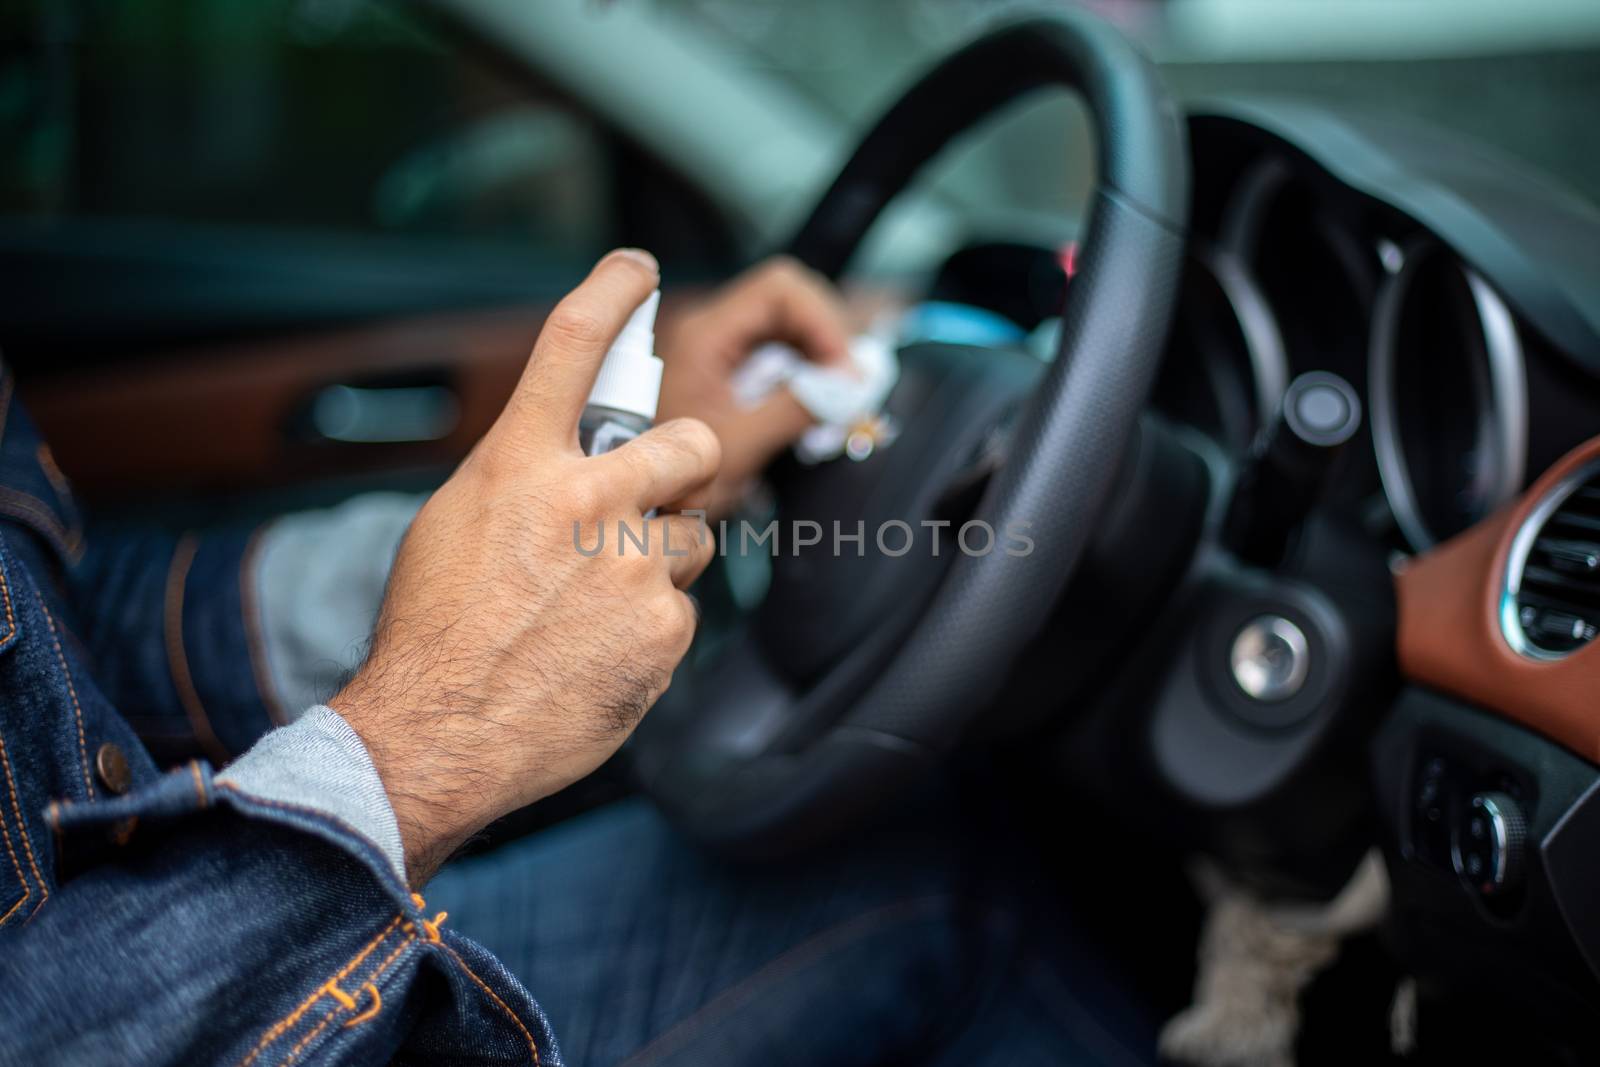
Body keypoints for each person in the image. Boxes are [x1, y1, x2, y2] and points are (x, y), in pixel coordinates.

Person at [0, 250, 1157, 1066]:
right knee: (956, 885)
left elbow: (75, 624)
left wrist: (546, 529)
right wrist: (424, 738)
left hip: (173, 921)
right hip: (246, 996)